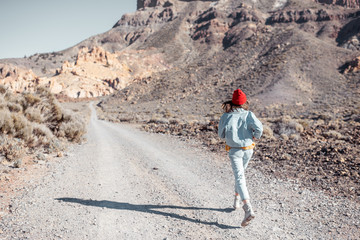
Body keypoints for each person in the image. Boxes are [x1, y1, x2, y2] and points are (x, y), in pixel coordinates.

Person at [218, 89, 263, 227]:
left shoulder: (226, 116)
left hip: (235, 151)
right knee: (241, 176)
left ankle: (248, 208)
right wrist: (255, 136)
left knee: (239, 177)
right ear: (244, 102)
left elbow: (221, 135)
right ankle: (236, 201)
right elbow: (259, 129)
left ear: (233, 102)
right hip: (249, 150)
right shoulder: (249, 114)